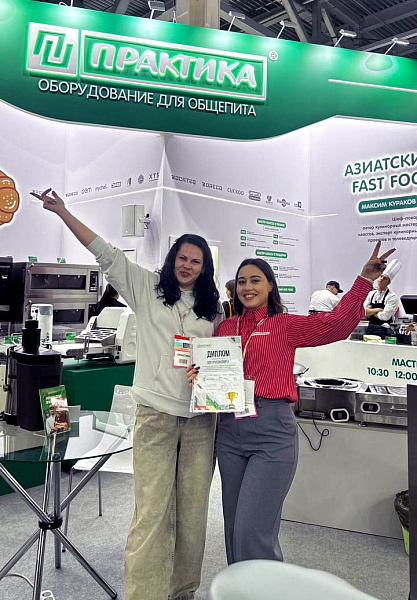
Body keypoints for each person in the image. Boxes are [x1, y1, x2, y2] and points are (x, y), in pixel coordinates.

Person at [31, 187, 223, 600]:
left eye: (196, 261)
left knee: (193, 515)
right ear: (172, 259)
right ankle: (145, 594)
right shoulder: (147, 287)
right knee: (152, 512)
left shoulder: (213, 306)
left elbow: (221, 358)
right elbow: (106, 252)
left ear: (205, 268)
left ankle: (182, 591)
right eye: (183, 258)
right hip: (156, 416)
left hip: (201, 421)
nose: (188, 266)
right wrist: (63, 212)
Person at [188, 241, 394, 566]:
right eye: (241, 281)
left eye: (255, 280)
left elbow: (337, 325)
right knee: (234, 526)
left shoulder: (284, 324)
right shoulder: (226, 328)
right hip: (229, 432)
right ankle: (239, 587)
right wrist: (199, 375)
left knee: (253, 530)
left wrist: (363, 281)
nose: (247, 287)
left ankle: (263, 587)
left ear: (271, 285)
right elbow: (214, 374)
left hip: (271, 431)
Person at [364, 259, 401, 339]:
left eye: (385, 278)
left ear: (389, 282)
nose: (381, 279)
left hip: (384, 331)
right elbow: (363, 312)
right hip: (370, 329)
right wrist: (378, 309)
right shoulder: (371, 294)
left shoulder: (392, 296)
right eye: (381, 277)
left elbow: (385, 316)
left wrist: (370, 311)